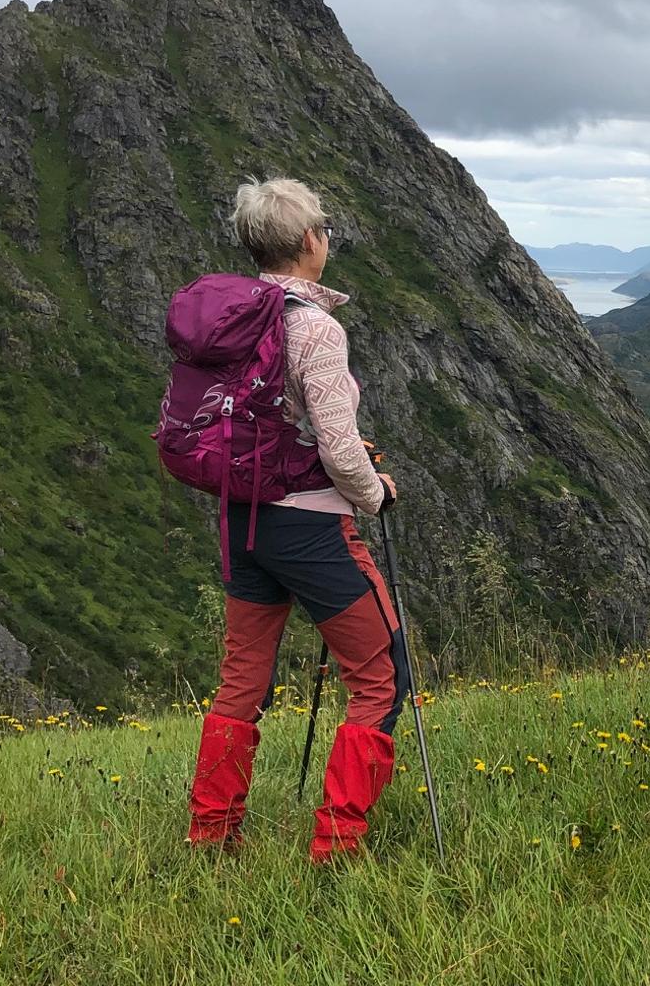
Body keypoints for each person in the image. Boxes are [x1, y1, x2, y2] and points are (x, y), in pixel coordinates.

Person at [185, 178, 407, 862]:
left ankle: (213, 835)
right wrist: (376, 495)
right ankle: (337, 845)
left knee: (242, 681)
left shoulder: (234, 320)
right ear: (310, 241)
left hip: (242, 521)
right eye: (325, 229)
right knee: (381, 676)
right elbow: (339, 448)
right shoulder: (315, 327)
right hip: (311, 531)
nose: (328, 239)